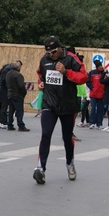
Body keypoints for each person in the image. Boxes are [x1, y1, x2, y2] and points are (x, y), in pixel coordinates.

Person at [33, 36, 87, 184]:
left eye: (54, 52)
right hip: (49, 103)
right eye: (48, 53)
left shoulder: (71, 58)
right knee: (45, 134)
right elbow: (40, 74)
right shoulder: (44, 60)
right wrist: (40, 83)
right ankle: (40, 169)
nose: (51, 55)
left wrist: (66, 72)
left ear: (59, 48)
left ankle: (70, 163)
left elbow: (83, 77)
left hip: (68, 105)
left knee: (67, 138)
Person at [5, 60, 29, 132]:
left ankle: (10, 124)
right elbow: (21, 86)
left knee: (11, 110)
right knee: (19, 111)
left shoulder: (8, 74)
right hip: (18, 95)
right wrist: (24, 92)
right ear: (18, 67)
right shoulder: (18, 75)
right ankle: (21, 125)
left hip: (10, 94)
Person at [86, 60, 105, 129]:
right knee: (93, 108)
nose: (101, 67)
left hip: (101, 94)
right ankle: (91, 122)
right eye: (99, 66)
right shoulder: (92, 73)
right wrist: (92, 88)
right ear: (97, 67)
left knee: (101, 109)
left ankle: (99, 123)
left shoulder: (104, 73)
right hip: (93, 94)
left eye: (101, 66)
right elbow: (88, 82)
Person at [0, 63, 11, 129]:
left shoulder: (0, 76)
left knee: (1, 108)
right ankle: (3, 122)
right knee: (3, 108)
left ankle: (0, 121)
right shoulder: (4, 76)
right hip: (3, 93)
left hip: (0, 93)